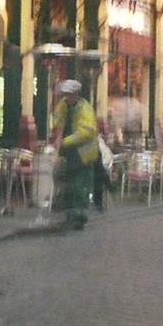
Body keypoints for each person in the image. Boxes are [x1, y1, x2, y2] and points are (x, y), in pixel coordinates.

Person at [48, 79, 97, 229]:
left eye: (68, 95)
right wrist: (54, 126)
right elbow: (56, 117)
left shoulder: (85, 110)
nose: (65, 97)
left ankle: (80, 216)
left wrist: (64, 142)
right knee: (68, 183)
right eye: (64, 94)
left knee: (80, 186)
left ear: (75, 94)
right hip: (69, 154)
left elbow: (85, 133)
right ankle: (70, 214)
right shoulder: (64, 105)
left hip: (83, 155)